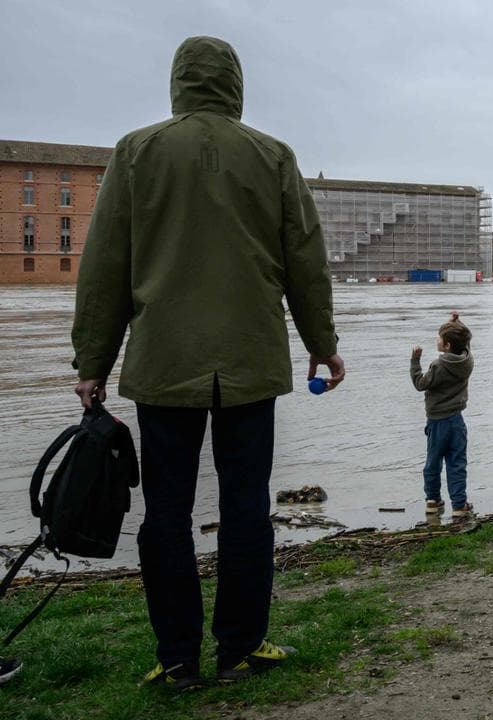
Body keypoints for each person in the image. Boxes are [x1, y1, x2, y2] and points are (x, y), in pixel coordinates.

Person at [71, 36, 343, 689]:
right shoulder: (273, 155)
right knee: (247, 506)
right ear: (234, 84)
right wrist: (322, 343)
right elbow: (305, 260)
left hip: (165, 361)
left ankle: (176, 658)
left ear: (178, 83)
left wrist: (93, 361)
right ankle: (240, 648)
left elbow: (105, 266)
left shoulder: (136, 152)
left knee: (165, 511)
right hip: (250, 360)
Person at [411, 313, 475, 519]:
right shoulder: (467, 360)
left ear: (447, 346)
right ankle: (459, 504)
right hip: (456, 420)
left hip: (437, 421)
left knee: (433, 461)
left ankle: (432, 500)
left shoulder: (438, 366)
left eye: (439, 338)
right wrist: (456, 324)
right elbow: (467, 340)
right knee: (457, 462)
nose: (436, 340)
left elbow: (420, 383)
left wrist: (415, 360)